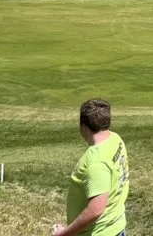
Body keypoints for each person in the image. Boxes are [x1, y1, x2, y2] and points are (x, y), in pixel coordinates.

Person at [54, 99, 129, 236]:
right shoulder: (115, 139)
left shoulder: (95, 162)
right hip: (115, 227)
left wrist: (64, 233)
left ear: (83, 126)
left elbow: (96, 209)